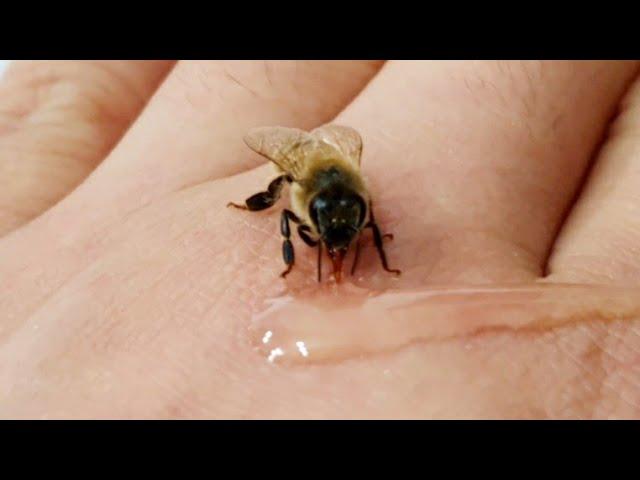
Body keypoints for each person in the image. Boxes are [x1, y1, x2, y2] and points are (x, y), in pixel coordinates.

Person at [0, 60, 639, 418]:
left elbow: (357, 209)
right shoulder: (301, 184)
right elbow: (298, 199)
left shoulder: (355, 195)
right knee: (278, 198)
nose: (343, 238)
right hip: (307, 171)